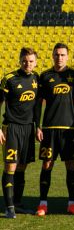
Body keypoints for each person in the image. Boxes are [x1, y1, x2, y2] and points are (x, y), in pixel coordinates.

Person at [35, 43, 74, 216]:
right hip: (49, 128)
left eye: (63, 55)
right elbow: (37, 104)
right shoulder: (45, 76)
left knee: (71, 165)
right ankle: (43, 204)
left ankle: (72, 203)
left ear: (68, 56)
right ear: (52, 55)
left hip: (69, 128)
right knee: (47, 164)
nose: (60, 57)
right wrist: (38, 125)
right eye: (57, 54)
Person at [0, 47, 40, 218]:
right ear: (19, 60)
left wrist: (37, 126)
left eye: (31, 61)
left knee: (22, 167)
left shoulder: (36, 78)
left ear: (35, 62)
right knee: (11, 166)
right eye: (24, 60)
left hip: (28, 128)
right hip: (12, 127)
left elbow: (38, 105)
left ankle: (18, 203)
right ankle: (9, 207)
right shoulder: (9, 79)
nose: (27, 64)